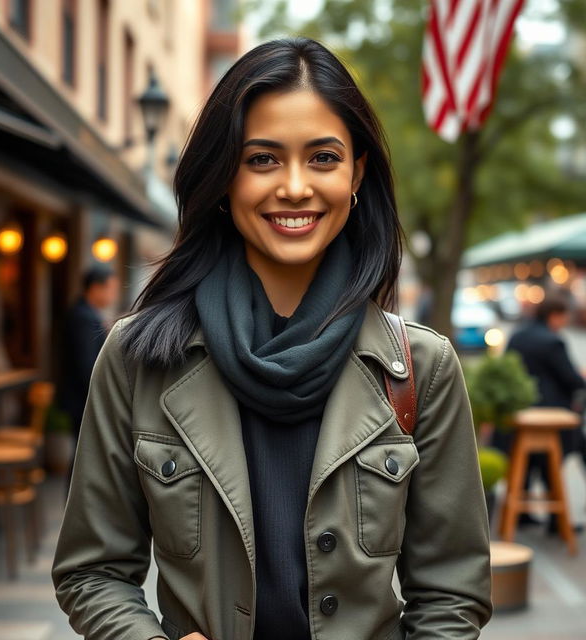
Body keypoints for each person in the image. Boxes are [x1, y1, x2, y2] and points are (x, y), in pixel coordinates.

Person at [52, 37, 492, 640]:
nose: (293, 186)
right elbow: (92, 570)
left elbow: (450, 595)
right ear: (224, 177)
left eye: (323, 158)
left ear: (356, 172)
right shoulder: (138, 359)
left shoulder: (420, 369)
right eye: (262, 159)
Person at [493, 288, 586, 531]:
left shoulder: (519, 334)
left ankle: (523, 516)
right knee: (557, 454)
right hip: (550, 416)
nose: (565, 322)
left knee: (531, 458)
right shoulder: (553, 341)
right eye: (564, 316)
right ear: (555, 315)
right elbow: (572, 379)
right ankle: (558, 519)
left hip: (517, 415)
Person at [58, 264, 120, 494]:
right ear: (95, 288)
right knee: (82, 455)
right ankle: (73, 505)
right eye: (111, 289)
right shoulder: (83, 317)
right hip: (81, 398)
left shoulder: (84, 312)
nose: (114, 295)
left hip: (79, 396)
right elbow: (87, 366)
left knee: (82, 454)